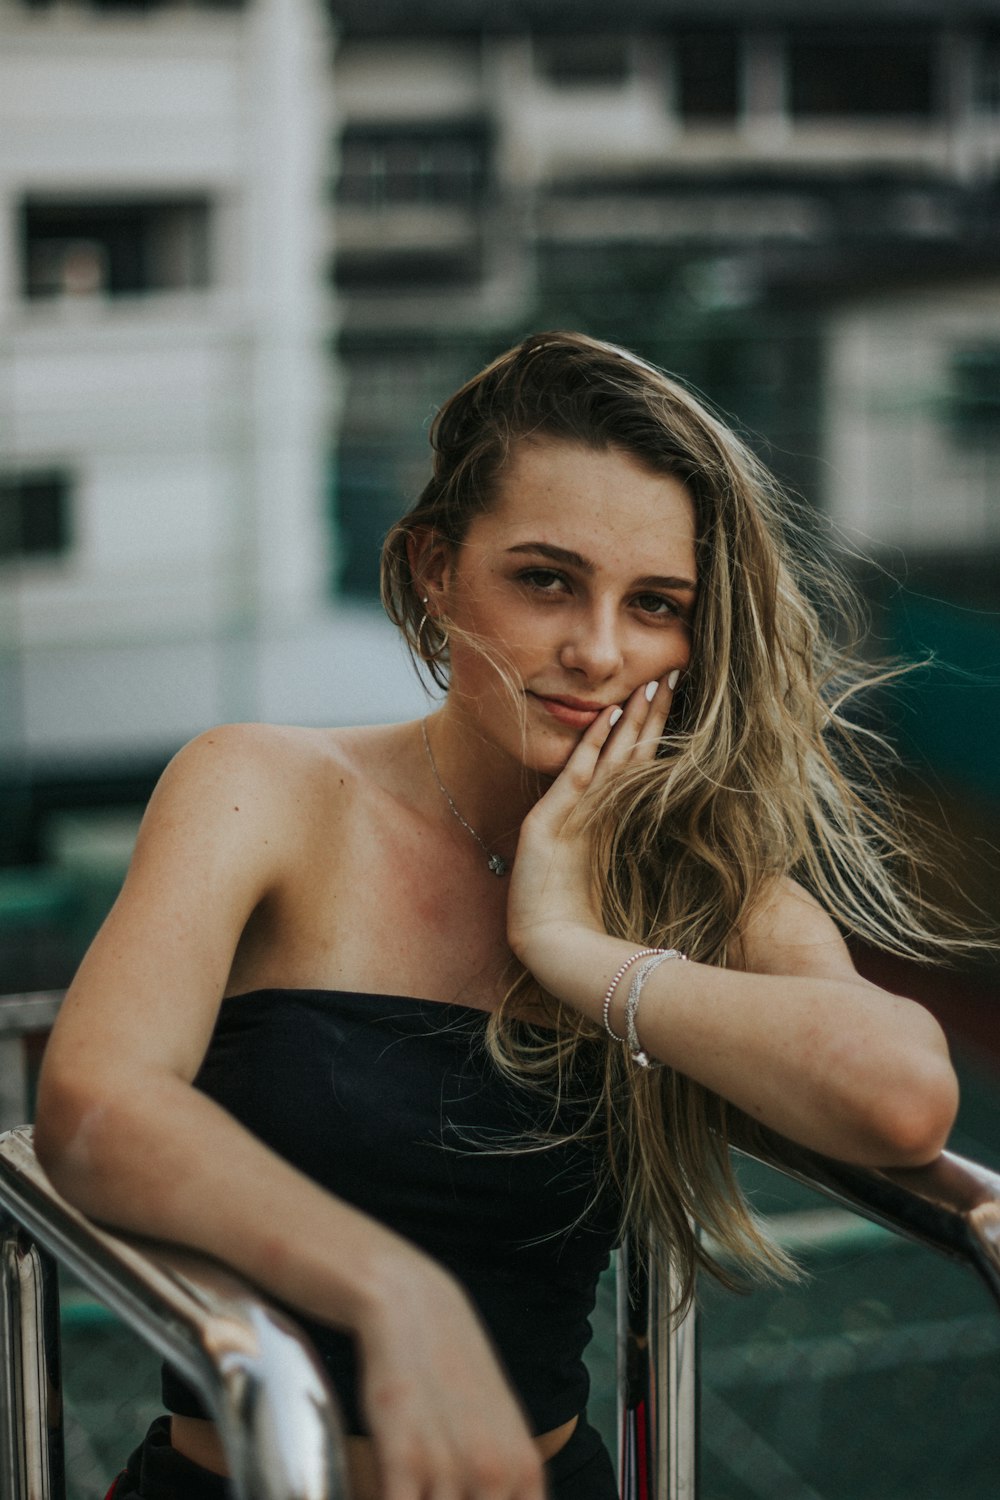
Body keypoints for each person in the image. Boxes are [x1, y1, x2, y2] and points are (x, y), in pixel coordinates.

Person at [35, 331, 961, 1500]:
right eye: (545, 580)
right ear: (434, 569)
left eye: (657, 604)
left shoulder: (689, 879)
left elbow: (901, 1099)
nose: (597, 651)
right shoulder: (264, 786)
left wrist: (576, 949)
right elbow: (96, 1104)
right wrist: (393, 1291)